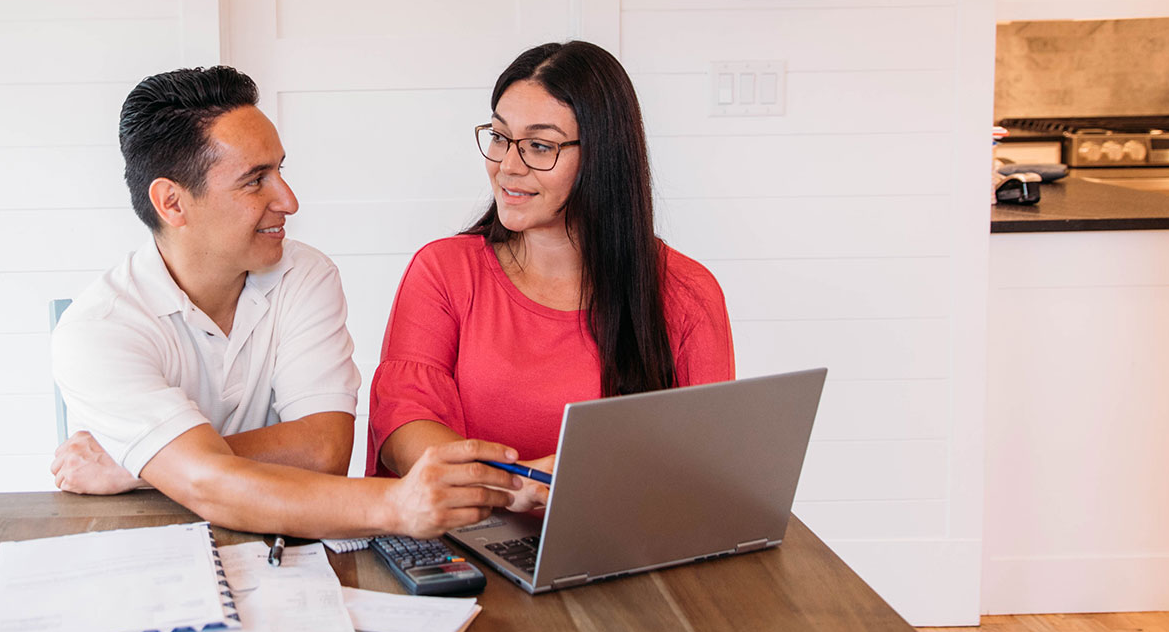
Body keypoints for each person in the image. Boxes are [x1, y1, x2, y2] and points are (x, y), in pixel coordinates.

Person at [49, 66, 525, 538]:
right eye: (255, 180)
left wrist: (141, 465)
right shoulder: (98, 330)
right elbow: (207, 484)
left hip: (282, 549)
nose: (289, 200)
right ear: (172, 203)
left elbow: (324, 451)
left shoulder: (305, 274)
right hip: (143, 554)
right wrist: (398, 505)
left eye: (280, 170)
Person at [367, 41, 737, 511]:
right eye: (500, 137)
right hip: (472, 538)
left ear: (603, 158)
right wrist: (510, 487)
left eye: (539, 146)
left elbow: (707, 465)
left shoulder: (687, 293)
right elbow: (404, 420)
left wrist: (584, 484)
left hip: (624, 546)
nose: (508, 166)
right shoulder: (443, 271)